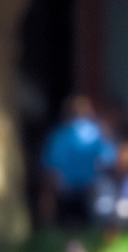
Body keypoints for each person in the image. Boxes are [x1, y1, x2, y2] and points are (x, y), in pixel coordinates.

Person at [40, 95, 117, 226]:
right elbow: (109, 159)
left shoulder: (58, 135)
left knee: (68, 225)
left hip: (65, 189)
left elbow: (50, 166)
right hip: (90, 188)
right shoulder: (96, 132)